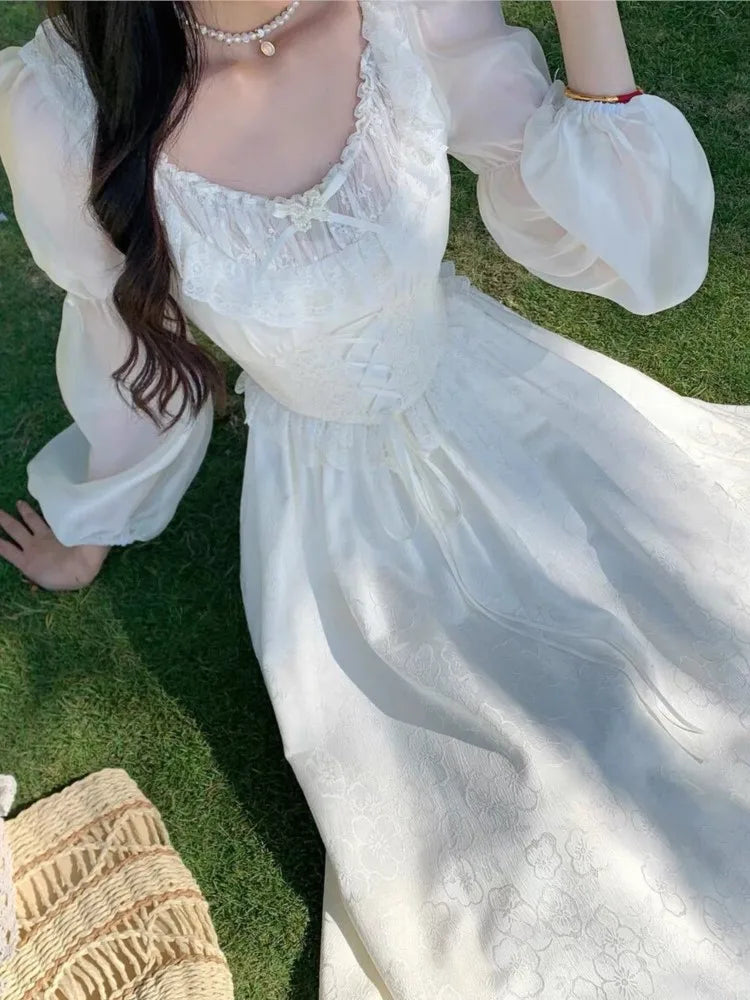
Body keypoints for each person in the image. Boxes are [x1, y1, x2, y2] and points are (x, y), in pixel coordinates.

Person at [1, 0, 748, 995]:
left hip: (505, 404)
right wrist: (99, 520)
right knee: (529, 830)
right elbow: (128, 338)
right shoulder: (66, 106)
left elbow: (631, 237)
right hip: (338, 527)